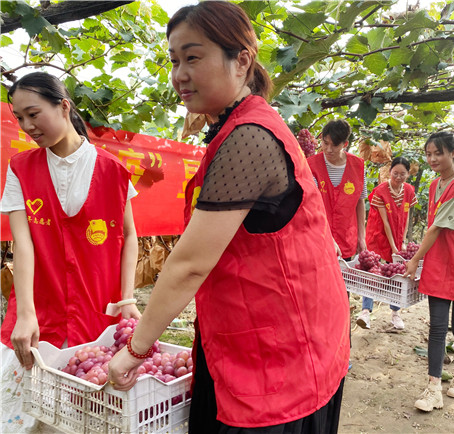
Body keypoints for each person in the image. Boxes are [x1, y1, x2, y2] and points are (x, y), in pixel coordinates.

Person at [108, 3, 349, 433]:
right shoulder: (238, 127)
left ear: (241, 60)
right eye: (174, 60)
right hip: (266, 336)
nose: (179, 73)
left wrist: (136, 349)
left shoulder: (249, 138)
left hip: (278, 359)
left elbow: (190, 263)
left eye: (193, 57)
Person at [0, 72, 140, 432]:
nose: (27, 125)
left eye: (34, 113)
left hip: (96, 312)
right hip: (38, 311)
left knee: (86, 415)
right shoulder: (21, 168)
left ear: (63, 106)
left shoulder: (113, 170)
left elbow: (128, 236)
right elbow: (24, 242)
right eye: (19, 118)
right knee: (26, 418)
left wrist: (126, 297)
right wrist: (26, 315)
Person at [403, 131, 454, 412]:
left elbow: (436, 227)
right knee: (437, 327)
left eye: (438, 153)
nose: (433, 159)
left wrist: (414, 259)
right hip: (440, 264)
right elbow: (432, 229)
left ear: (453, 154)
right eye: (428, 154)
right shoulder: (436, 183)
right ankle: (433, 387)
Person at [357, 157, 417, 330]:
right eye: (395, 173)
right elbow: (385, 223)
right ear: (389, 172)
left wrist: (403, 241)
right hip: (378, 236)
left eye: (402, 174)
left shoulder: (409, 190)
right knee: (372, 271)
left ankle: (395, 313)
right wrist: (394, 247)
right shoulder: (381, 191)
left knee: (396, 273)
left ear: (408, 174)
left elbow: (406, 218)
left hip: (398, 236)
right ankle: (366, 312)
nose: (398, 177)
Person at [307, 119, 367, 260]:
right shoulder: (311, 166)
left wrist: (361, 237)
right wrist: (327, 237)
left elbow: (360, 202)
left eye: (334, 145)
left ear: (344, 144)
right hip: (317, 237)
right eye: (325, 143)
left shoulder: (358, 166)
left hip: (345, 238)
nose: (328, 150)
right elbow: (311, 206)